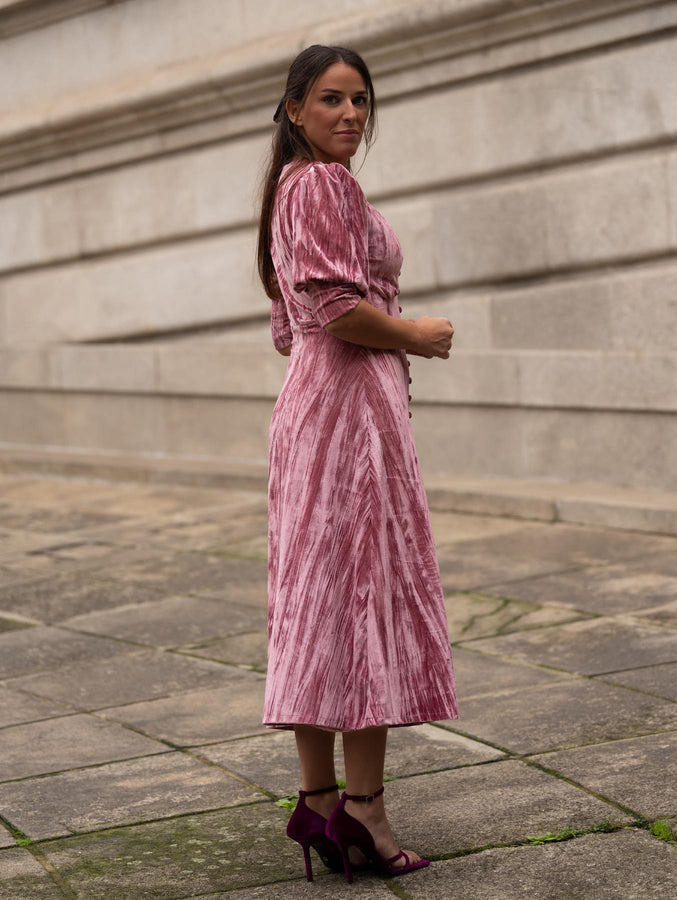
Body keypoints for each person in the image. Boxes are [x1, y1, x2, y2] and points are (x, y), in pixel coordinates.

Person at [256, 44, 459, 884]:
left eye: (362, 102)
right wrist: (414, 334)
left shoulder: (287, 192)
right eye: (332, 100)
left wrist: (339, 347)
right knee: (366, 597)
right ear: (296, 109)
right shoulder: (325, 185)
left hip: (314, 412)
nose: (350, 115)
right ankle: (365, 812)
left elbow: (288, 321)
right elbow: (336, 306)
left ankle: (318, 797)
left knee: (316, 600)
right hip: (349, 421)